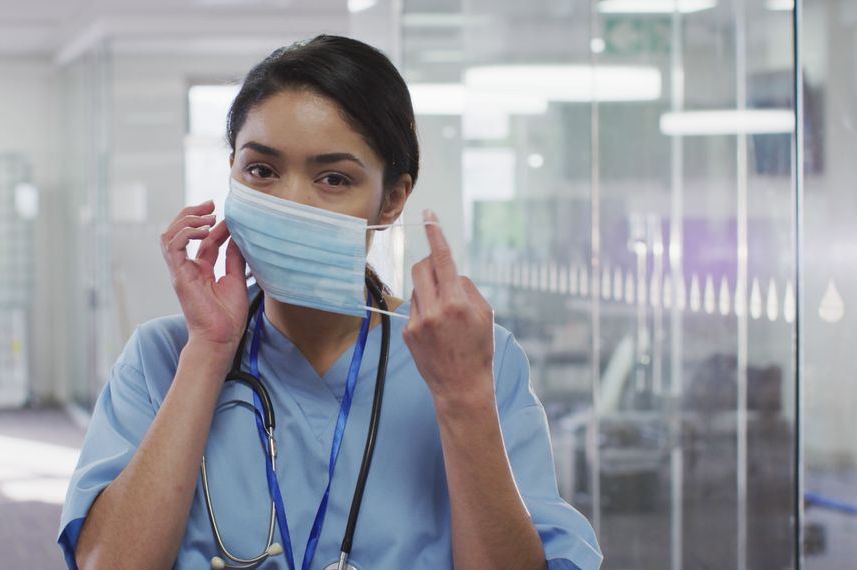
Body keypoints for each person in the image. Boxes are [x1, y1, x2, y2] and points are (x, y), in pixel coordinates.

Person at [58, 35, 602, 570]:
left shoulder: (472, 361)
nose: (290, 201)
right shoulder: (162, 358)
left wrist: (463, 401)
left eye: (333, 178)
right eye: (262, 171)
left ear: (391, 200)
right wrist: (209, 351)